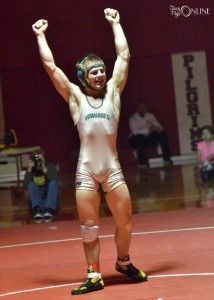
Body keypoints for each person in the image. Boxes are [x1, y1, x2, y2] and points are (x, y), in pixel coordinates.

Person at [32, 8, 147, 295]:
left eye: (102, 71)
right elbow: (51, 67)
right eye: (94, 72)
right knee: (89, 227)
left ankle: (123, 262)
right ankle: (94, 275)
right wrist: (40, 36)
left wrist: (117, 24)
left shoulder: (113, 94)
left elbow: (124, 57)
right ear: (84, 77)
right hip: (86, 172)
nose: (100, 75)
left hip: (112, 170)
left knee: (125, 222)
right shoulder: (75, 97)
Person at [129, 102, 173, 169]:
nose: (142, 109)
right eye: (140, 108)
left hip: (149, 137)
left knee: (162, 134)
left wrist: (158, 128)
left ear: (147, 109)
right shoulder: (133, 118)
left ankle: (167, 159)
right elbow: (135, 132)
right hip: (137, 139)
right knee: (139, 138)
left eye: (144, 107)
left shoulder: (150, 116)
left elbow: (157, 125)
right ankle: (142, 163)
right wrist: (149, 129)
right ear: (137, 109)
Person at [23, 148, 60, 223]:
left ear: (44, 159)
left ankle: (48, 210)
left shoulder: (50, 167)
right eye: (36, 160)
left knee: (53, 183)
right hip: (37, 202)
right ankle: (38, 210)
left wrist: (44, 169)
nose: (39, 161)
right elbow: (25, 187)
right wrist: (29, 170)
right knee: (31, 184)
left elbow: (57, 182)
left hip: (50, 202)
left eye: (41, 159)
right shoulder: (31, 171)